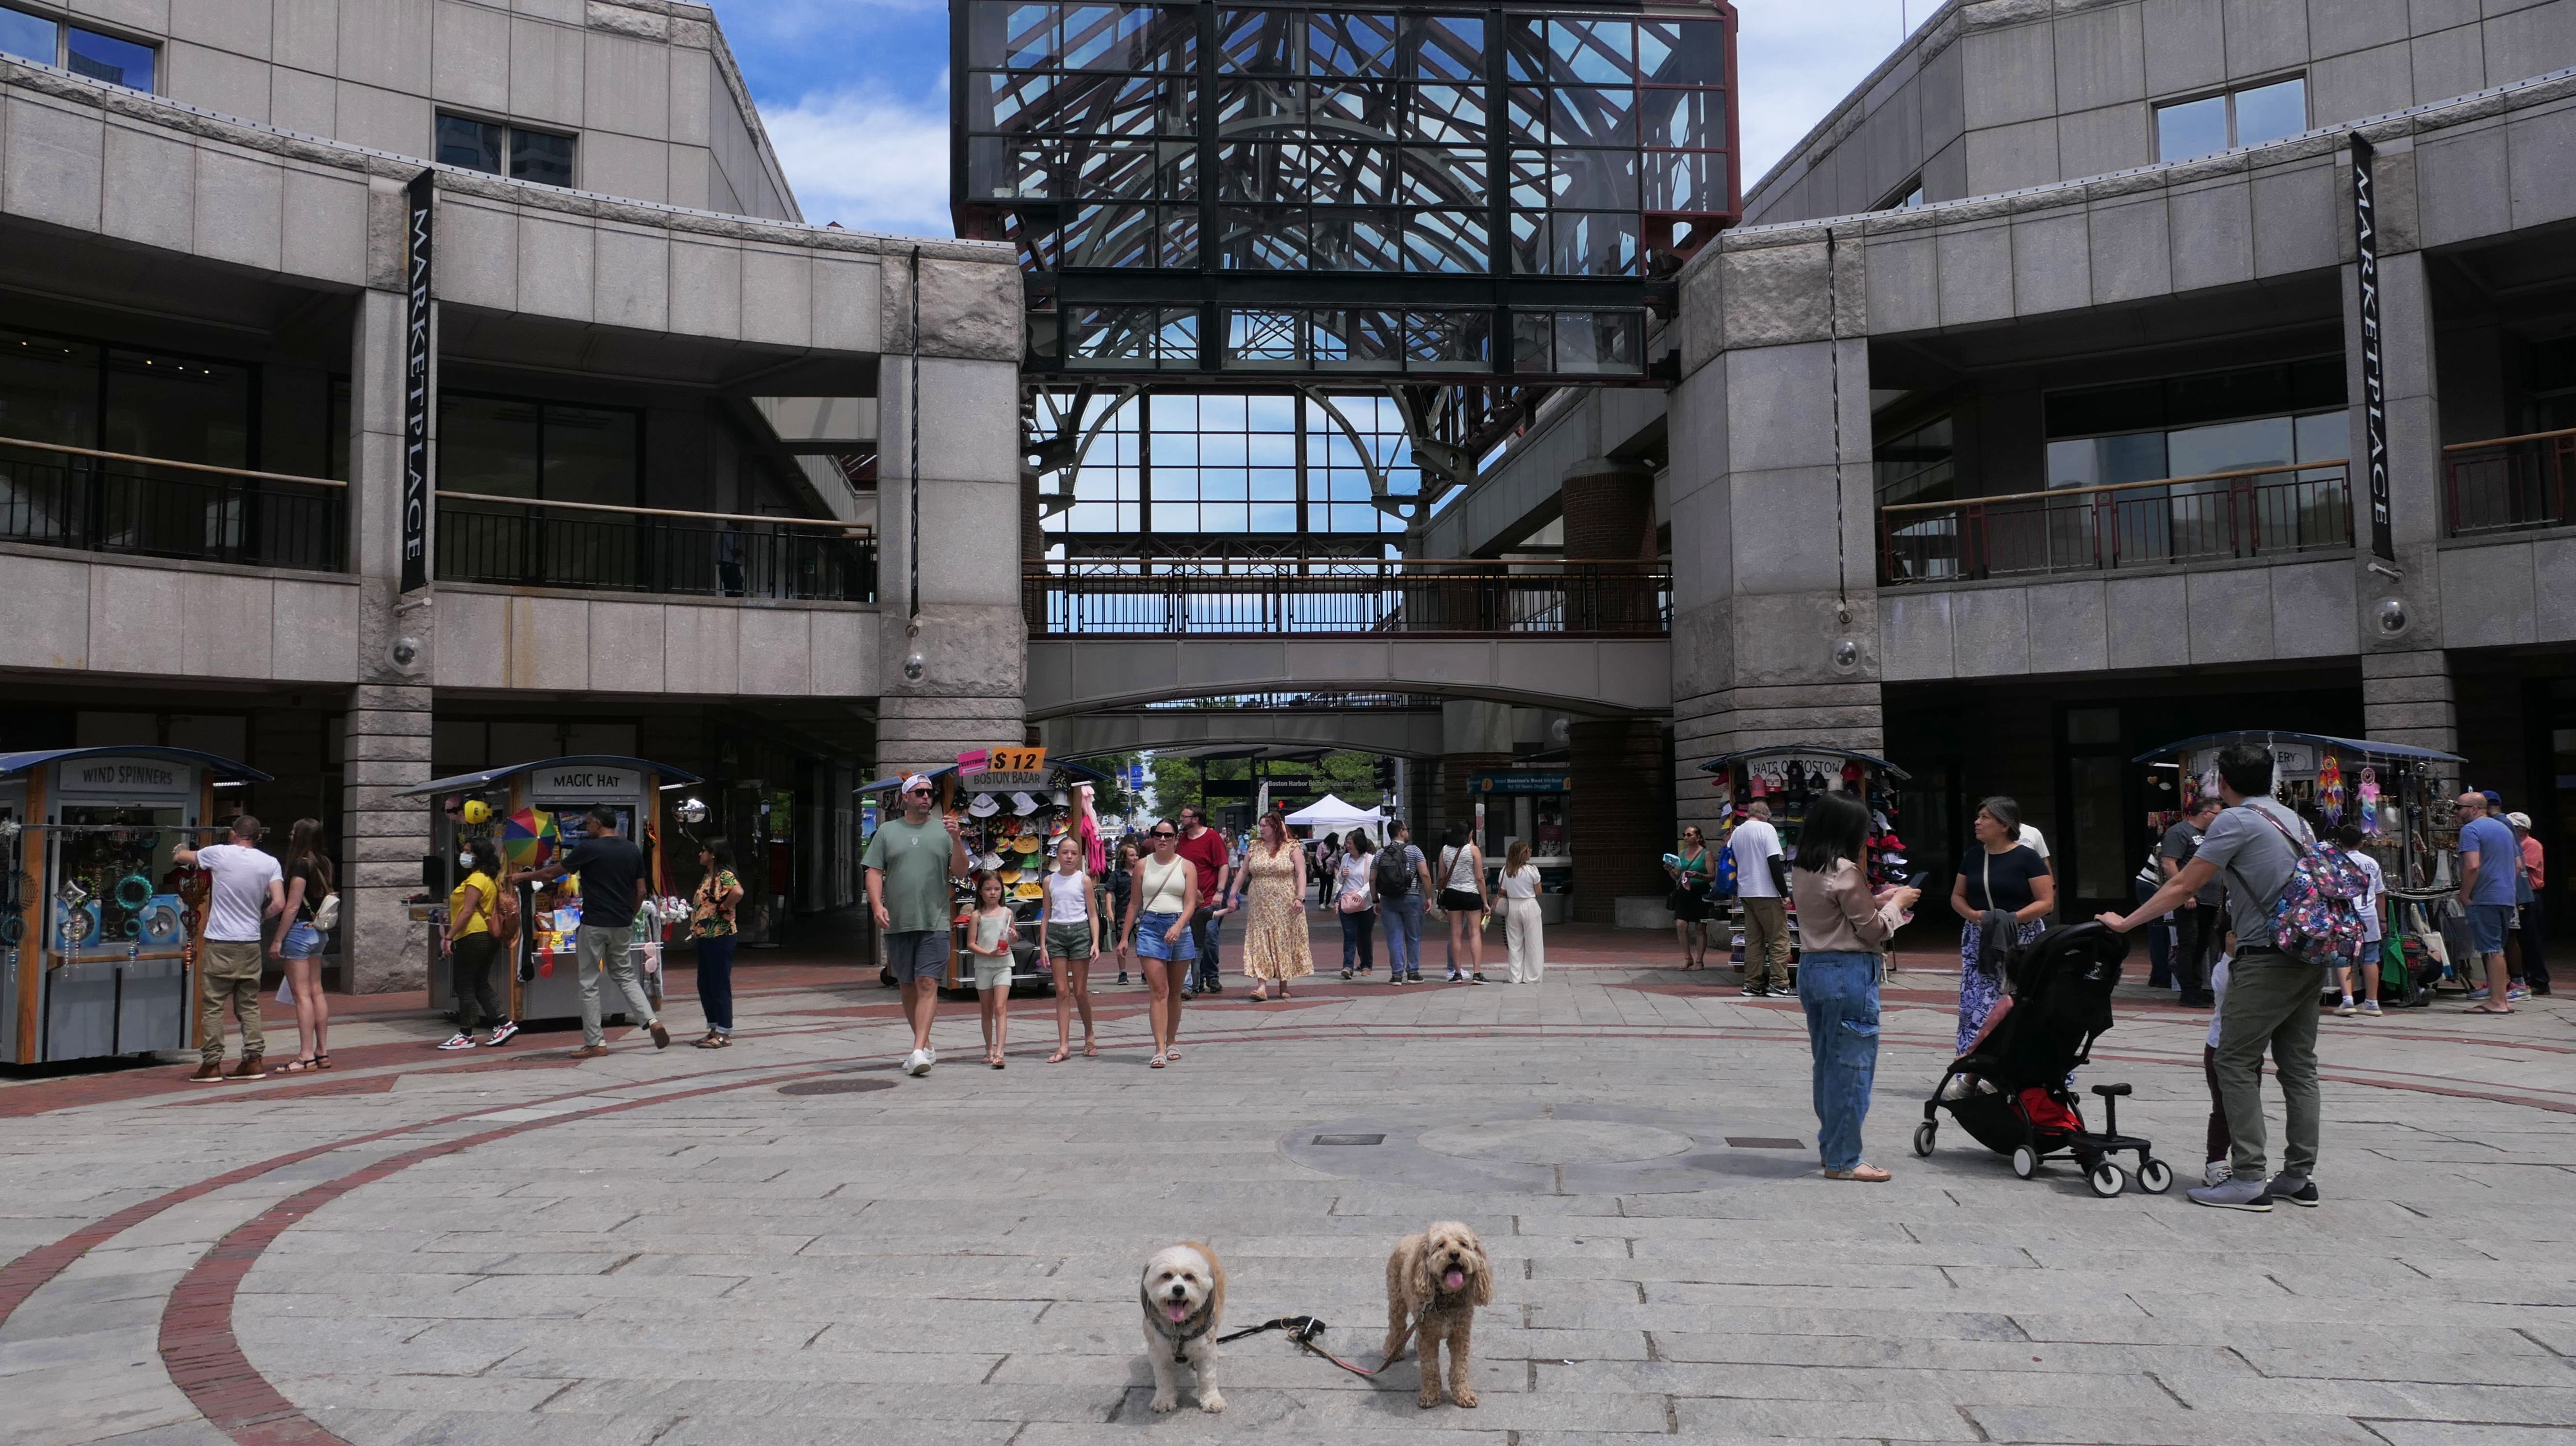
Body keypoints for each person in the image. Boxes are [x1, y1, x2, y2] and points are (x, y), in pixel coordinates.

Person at [2102, 742, 2322, 1211]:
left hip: (2264, 956)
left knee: (2233, 1062)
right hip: (2307, 952)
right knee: (2299, 1068)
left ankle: (2247, 1178)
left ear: (2222, 783)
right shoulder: (2294, 820)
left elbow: (2185, 883)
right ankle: (2298, 1176)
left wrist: (2125, 924)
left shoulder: (2234, 820)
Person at [1788, 790, 1920, 1183]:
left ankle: (1832, 1147)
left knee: (1827, 1064)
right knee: (1852, 1067)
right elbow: (1873, 931)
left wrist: (1876, 899)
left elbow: (1836, 913)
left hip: (1813, 967)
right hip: (1848, 972)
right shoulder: (1845, 870)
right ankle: (1845, 1158)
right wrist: (1898, 903)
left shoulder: (1805, 866)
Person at [514, 806, 666, 1058]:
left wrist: (522, 876)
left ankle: (596, 1042)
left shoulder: (589, 849)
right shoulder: (632, 849)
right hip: (622, 924)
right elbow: (641, 891)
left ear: (598, 823)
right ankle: (652, 1021)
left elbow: (552, 873)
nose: (586, 827)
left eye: (588, 823)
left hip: (595, 923)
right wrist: (629, 915)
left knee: (589, 982)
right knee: (625, 976)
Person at [864, 774, 972, 1077]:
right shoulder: (887, 832)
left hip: (935, 920)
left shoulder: (944, 831)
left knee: (927, 982)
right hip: (898, 921)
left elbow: (961, 871)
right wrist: (877, 905)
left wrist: (957, 840)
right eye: (920, 792)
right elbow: (874, 871)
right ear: (905, 798)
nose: (926, 797)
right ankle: (926, 1045)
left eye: (929, 792)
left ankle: (916, 1051)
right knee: (907, 985)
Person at [176, 816, 284, 1083]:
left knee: (213, 1005)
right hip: (250, 942)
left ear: (234, 834)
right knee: (249, 1005)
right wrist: (261, 917)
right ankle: (254, 1060)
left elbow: (182, 857)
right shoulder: (270, 863)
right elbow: (279, 903)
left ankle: (212, 1064)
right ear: (258, 837)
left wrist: (178, 848)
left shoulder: (220, 853)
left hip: (221, 941)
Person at [1948, 796, 2053, 1054]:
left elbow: (2046, 902)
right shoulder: (1973, 856)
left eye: (1985, 817)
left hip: (2021, 938)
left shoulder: (2028, 857)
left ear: (2005, 825)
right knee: (1977, 1000)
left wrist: (2011, 919)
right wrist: (1974, 915)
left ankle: (2023, 1059)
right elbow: (1957, 896)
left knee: (2022, 997)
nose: (1977, 822)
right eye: (1978, 817)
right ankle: (1972, 1061)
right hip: (1979, 936)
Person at [1127, 820, 1200, 1068]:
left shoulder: (1187, 866)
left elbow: (1190, 903)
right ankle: (1159, 1048)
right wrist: (1124, 938)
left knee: (1175, 991)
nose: (1162, 839)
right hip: (1150, 927)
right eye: (1158, 834)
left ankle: (1172, 1041)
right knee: (1159, 990)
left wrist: (1178, 926)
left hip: (1180, 927)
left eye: (1168, 835)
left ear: (1176, 838)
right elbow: (1134, 904)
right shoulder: (1142, 865)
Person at [270, 818, 336, 1072]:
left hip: (299, 931)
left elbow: (293, 906)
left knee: (302, 996)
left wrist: (278, 939)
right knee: (317, 991)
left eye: (293, 832)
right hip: (318, 931)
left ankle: (306, 1055)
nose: (290, 835)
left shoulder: (300, 864)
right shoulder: (325, 862)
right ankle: (322, 1052)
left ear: (301, 837)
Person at [438, 836, 512, 1052]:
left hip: (473, 934)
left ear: (479, 856)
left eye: (469, 851)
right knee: (479, 982)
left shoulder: (477, 880)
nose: (464, 855)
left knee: (465, 984)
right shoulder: (490, 879)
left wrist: (449, 936)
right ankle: (503, 1023)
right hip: (486, 935)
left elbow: (468, 911)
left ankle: (466, 1033)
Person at [2456, 791, 2519, 1015]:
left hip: (2484, 896)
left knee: (2491, 949)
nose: (2457, 812)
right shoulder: (2504, 829)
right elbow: (2518, 865)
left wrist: (2465, 894)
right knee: (2497, 947)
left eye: (2459, 808)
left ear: (2474, 809)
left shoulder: (2470, 830)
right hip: (2506, 895)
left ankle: (2497, 1001)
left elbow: (2472, 865)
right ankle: (2501, 999)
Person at [1239, 812, 1313, 1002]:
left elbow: (1301, 873)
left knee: (1283, 939)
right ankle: (1262, 986)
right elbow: (1243, 872)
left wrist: (1301, 897)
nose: (1261, 829)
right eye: (1260, 825)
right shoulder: (1255, 846)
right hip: (1260, 905)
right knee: (1260, 940)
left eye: (1265, 825)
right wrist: (1232, 894)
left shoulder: (1292, 847)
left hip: (1285, 903)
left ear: (1275, 827)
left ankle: (1284, 983)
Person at [1042, 836, 1102, 1062]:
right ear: (1057, 855)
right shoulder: (1049, 881)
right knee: (1061, 991)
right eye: (1065, 853)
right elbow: (1046, 914)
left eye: (1074, 853)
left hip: (1079, 932)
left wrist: (1095, 942)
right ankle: (1064, 1045)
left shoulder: (1084, 880)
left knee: (1080, 991)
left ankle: (1089, 1034)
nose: (1069, 857)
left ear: (1079, 857)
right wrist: (1043, 945)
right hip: (1056, 933)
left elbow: (1093, 914)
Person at [2160, 798, 2223, 1007]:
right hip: (2191, 899)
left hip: (2210, 899)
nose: (2220, 818)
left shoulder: (2210, 834)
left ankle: (2197, 988)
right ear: (2205, 813)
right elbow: (2169, 863)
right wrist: (2186, 893)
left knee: (2202, 944)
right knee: (2189, 943)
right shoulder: (2180, 832)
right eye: (2217, 814)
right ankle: (2188, 992)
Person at [689, 839, 744, 1048]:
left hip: (720, 935)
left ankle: (724, 1032)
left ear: (713, 854)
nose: (700, 854)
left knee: (719, 983)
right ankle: (713, 1028)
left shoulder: (724, 875)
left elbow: (738, 892)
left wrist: (724, 907)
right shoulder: (708, 876)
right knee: (705, 984)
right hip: (705, 936)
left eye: (703, 851)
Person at [1730, 803, 1789, 997]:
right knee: (1779, 939)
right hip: (1766, 892)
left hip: (1746, 892)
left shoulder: (1738, 832)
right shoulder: (1767, 829)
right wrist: (1784, 893)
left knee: (1753, 940)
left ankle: (1752, 983)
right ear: (1766, 815)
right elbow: (1774, 863)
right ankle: (1779, 984)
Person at [1175, 804, 1231, 997]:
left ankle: (1212, 975)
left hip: (1210, 896)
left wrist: (1220, 891)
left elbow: (1223, 865)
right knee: (1192, 938)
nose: (1181, 819)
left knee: (1209, 935)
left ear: (1195, 819)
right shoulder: (1182, 839)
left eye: (1184, 816)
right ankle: (1196, 981)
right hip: (1189, 898)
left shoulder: (1212, 837)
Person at [963, 871, 1016, 1068]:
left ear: (1002, 891)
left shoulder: (1007, 913)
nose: (993, 893)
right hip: (984, 965)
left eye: (997, 889)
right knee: (986, 1009)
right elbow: (971, 944)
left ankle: (1000, 1052)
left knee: (1000, 1007)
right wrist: (988, 954)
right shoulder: (977, 916)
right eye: (988, 889)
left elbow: (1013, 938)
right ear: (981, 892)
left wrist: (1014, 935)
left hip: (1004, 964)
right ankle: (989, 1048)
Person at [2334, 824, 2385, 1019]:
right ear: (2362, 843)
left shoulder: (2337, 862)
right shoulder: (2371, 863)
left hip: (2345, 916)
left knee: (2344, 957)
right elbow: (2380, 893)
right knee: (2370, 959)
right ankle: (2372, 1002)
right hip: (2369, 917)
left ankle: (2348, 1000)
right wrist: (2383, 919)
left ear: (2340, 842)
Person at [1374, 818, 1431, 985]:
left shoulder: (1381, 853)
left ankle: (1397, 975)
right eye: (1406, 829)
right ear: (1401, 832)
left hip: (1388, 899)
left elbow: (1372, 879)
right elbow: (1425, 874)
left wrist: (1375, 900)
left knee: (1394, 937)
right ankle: (1413, 973)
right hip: (1412, 898)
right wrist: (1429, 896)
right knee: (1413, 936)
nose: (1407, 832)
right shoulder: (1414, 850)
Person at [1434, 824, 1490, 984]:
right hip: (1471, 894)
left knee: (1455, 934)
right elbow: (1479, 878)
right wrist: (1485, 901)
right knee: (1474, 933)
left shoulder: (1445, 850)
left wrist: (1441, 895)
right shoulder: (1474, 851)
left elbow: (1441, 877)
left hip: (1452, 894)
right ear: (1469, 834)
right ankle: (1477, 973)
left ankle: (1457, 973)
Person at [2509, 812, 2549, 996]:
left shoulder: (2531, 845)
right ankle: (2524, 978)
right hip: (2520, 895)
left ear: (2522, 829)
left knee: (2532, 939)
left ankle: (2540, 980)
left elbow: (2520, 867)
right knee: (2521, 939)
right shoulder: (2516, 845)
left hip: (2531, 895)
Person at [1666, 824, 1715, 969]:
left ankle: (1700, 960)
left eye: (1689, 835)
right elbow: (1677, 875)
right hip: (1684, 892)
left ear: (1698, 837)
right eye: (1685, 835)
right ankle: (1688, 958)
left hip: (1701, 892)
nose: (1686, 838)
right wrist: (1670, 870)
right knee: (1681, 925)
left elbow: (1712, 876)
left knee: (1700, 928)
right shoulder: (1682, 853)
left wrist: (1699, 875)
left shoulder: (1706, 854)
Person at [1333, 831, 1379, 980]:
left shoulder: (1370, 859)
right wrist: (1342, 875)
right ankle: (1348, 966)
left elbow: (1373, 880)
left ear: (1359, 844)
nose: (1347, 846)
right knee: (1350, 936)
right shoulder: (1346, 858)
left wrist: (1362, 893)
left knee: (1365, 936)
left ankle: (1367, 965)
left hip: (1366, 904)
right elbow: (1340, 880)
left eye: (1350, 843)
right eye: (1347, 843)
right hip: (1347, 903)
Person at [1500, 840, 1546, 984]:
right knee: (1534, 942)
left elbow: (1502, 891)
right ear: (1523, 854)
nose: (1530, 852)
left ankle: (1515, 976)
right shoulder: (1532, 870)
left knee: (1514, 943)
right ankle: (1532, 977)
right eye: (1528, 850)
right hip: (1529, 904)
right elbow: (1539, 892)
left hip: (1513, 906)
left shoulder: (1506, 870)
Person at [1107, 838, 1140, 985]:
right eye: (1131, 855)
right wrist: (1109, 909)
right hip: (1123, 913)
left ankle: (1145, 971)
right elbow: (1109, 891)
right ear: (1124, 857)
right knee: (1122, 943)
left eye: (1136, 855)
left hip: (1141, 913)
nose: (1135, 858)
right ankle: (1123, 972)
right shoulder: (1117, 874)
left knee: (1143, 943)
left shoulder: (1141, 872)